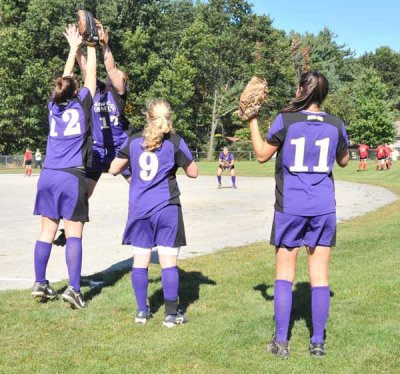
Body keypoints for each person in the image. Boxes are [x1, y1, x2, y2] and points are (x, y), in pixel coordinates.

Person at [248, 71, 349, 358]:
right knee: (319, 275)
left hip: (290, 206)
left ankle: (281, 342)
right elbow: (343, 161)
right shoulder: (335, 123)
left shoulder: (286, 119)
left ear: (301, 90)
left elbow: (261, 154)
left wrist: (252, 120)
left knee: (284, 274)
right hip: (323, 207)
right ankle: (317, 342)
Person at [109, 99, 198, 327]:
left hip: (140, 209)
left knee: (141, 260)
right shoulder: (175, 141)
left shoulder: (134, 140)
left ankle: (141, 312)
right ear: (169, 118)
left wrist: (133, 174)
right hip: (166, 207)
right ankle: (170, 315)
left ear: (147, 117)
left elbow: (113, 168)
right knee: (168, 261)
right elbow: (194, 172)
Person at [31, 24, 96, 309]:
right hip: (71, 176)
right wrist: (88, 46)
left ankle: (40, 283)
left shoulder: (52, 107)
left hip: (48, 175)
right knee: (74, 233)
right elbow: (90, 77)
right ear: (75, 91)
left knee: (46, 231)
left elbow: (65, 80)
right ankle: (74, 289)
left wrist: (71, 49)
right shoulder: (81, 104)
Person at [53, 21, 131, 247]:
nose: (119, 77)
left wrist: (105, 46)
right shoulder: (95, 90)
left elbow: (111, 69)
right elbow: (87, 67)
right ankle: (68, 231)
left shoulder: (117, 93)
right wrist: (80, 46)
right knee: (82, 193)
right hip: (97, 150)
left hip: (121, 150)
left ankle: (147, 221)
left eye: (121, 77)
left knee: (139, 186)